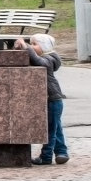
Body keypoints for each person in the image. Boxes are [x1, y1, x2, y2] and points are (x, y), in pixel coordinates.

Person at [14, 33, 69, 165]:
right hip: (53, 100)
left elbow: (40, 63)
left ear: (44, 46)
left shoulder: (48, 59)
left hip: (52, 99)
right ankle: (62, 152)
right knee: (56, 127)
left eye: (34, 44)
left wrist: (27, 47)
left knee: (50, 130)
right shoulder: (48, 57)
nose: (32, 47)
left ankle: (46, 156)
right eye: (31, 44)